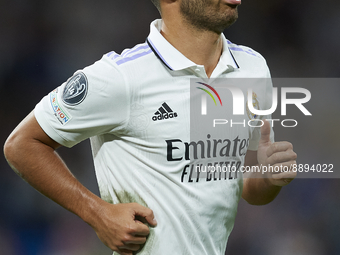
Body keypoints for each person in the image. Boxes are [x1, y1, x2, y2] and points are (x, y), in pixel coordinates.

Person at [3, 0, 297, 254]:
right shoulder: (121, 78)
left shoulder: (251, 68)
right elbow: (21, 144)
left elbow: (246, 186)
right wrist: (97, 213)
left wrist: (268, 180)